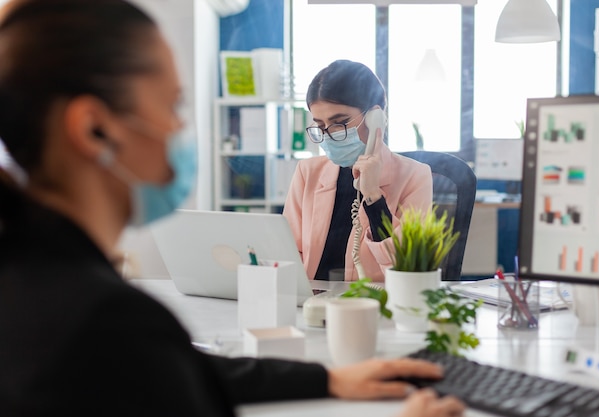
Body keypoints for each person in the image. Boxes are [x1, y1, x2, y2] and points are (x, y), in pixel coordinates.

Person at [0, 1, 465, 416]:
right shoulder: (113, 319)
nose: (183, 126)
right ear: (94, 129)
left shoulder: (38, 285)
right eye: (174, 103)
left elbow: (178, 369)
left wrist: (326, 379)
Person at [283, 60, 433, 282]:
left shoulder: (415, 176)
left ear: (375, 117)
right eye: (321, 127)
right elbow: (287, 253)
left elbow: (409, 270)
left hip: (375, 307)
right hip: (311, 305)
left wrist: (373, 196)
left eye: (340, 123)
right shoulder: (308, 172)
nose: (329, 135)